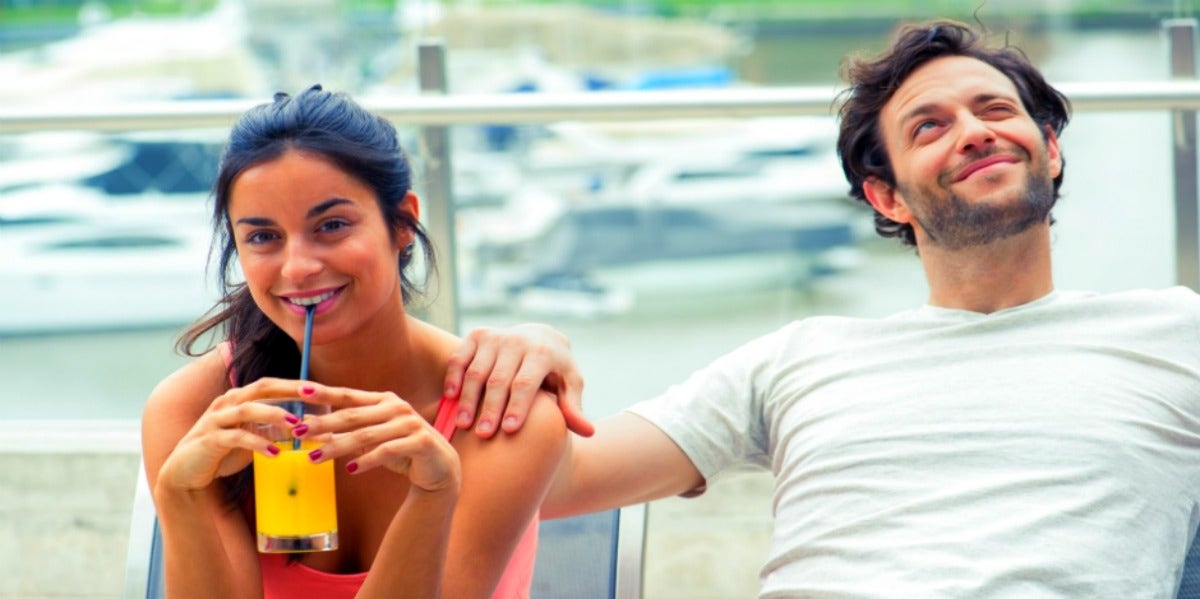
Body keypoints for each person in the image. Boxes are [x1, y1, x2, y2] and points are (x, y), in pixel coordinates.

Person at [445, 19, 1200, 597]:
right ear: (887, 196)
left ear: (1050, 148)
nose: (974, 132)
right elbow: (564, 479)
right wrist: (531, 345)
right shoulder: (801, 356)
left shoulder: (1173, 328)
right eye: (929, 126)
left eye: (993, 108)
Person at [141, 84, 568, 598]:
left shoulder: (501, 415)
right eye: (262, 237)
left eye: (333, 225)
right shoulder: (196, 409)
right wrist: (178, 495)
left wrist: (433, 495)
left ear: (403, 221)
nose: (298, 267)